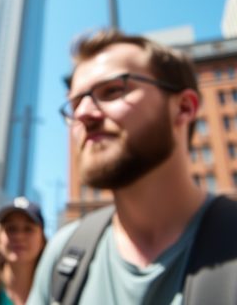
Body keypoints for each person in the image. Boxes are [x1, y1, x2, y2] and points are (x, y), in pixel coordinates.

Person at [27, 30, 237, 304]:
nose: (83, 114)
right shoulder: (64, 253)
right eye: (76, 103)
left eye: (113, 90)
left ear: (184, 108)